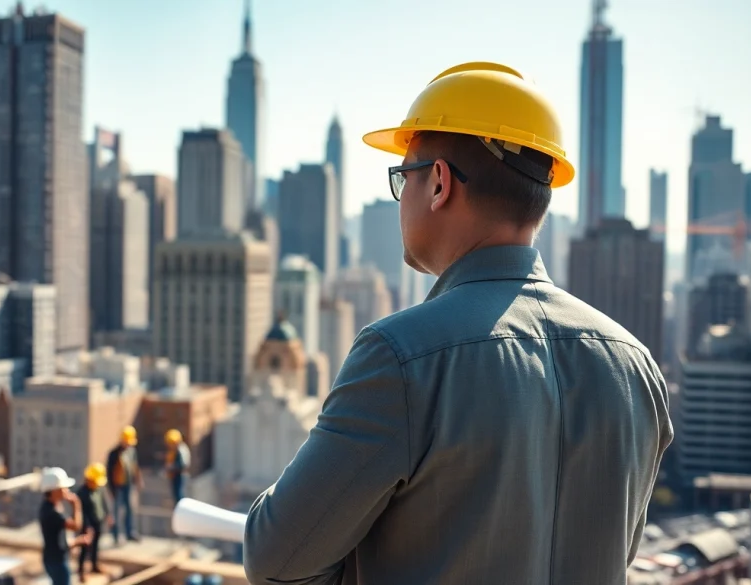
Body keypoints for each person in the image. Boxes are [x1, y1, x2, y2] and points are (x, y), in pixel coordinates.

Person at [243, 61, 673, 584]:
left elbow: (275, 560)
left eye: (403, 176)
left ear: (440, 184)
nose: (399, 198)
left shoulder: (400, 357)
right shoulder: (635, 367)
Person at [38, 467, 91, 585]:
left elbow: (57, 539)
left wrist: (77, 541)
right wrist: (76, 505)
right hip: (57, 561)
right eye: (64, 488)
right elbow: (76, 526)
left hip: (52, 558)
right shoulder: (53, 513)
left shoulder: (49, 507)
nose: (67, 490)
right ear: (55, 490)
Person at [105, 425, 143, 544]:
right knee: (116, 511)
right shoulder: (114, 454)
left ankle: (130, 532)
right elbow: (109, 472)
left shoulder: (131, 451)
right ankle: (116, 535)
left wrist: (138, 480)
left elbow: (134, 466)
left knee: (129, 509)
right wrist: (111, 490)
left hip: (128, 484)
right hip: (117, 487)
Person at [75, 463, 112, 580]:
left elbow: (103, 502)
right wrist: (86, 527)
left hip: (97, 521)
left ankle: (94, 565)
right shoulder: (82, 493)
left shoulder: (98, 489)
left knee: (96, 545)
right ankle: (81, 570)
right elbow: (82, 512)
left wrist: (107, 515)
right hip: (87, 525)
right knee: (85, 548)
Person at [163, 429, 191, 504]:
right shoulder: (174, 450)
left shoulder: (181, 450)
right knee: (176, 495)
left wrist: (171, 467)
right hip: (174, 476)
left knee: (179, 496)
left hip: (180, 476)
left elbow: (183, 464)